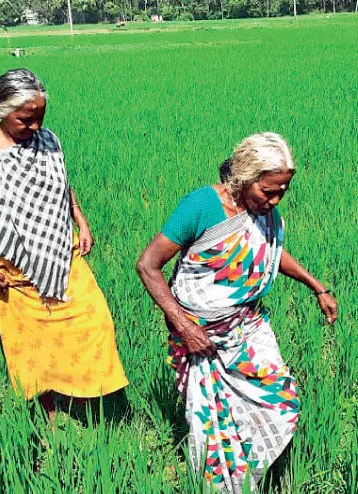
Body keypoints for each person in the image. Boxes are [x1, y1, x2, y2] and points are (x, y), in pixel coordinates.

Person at [136, 132, 338, 491]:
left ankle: (255, 470)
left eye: (282, 191)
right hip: (202, 336)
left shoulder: (261, 214)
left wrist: (316, 285)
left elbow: (271, 254)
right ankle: (227, 484)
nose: (275, 200)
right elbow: (148, 266)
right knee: (214, 422)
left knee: (280, 398)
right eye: (268, 191)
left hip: (247, 325)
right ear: (244, 178)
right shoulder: (202, 206)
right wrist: (186, 328)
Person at [0, 68, 128, 421]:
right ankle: (52, 416)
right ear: (1, 111)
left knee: (95, 324)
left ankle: (86, 407)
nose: (35, 127)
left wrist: (80, 218)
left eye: (40, 118)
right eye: (26, 119)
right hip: (13, 271)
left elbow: (61, 182)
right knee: (34, 347)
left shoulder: (49, 140)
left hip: (64, 256)